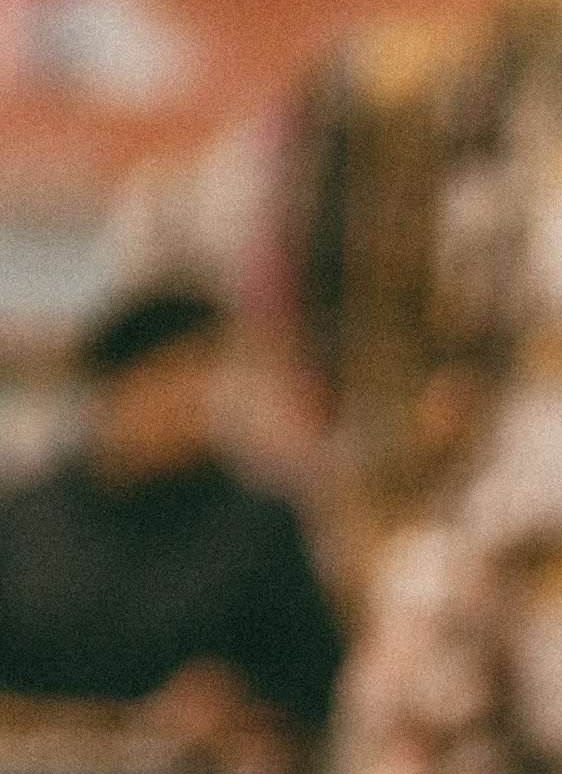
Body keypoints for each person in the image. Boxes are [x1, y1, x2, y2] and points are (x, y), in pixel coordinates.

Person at [0, 285, 343, 739]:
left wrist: (239, 704)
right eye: (164, 375)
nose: (186, 399)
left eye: (200, 374)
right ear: (113, 386)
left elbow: (314, 680)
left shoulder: (260, 526)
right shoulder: (28, 519)